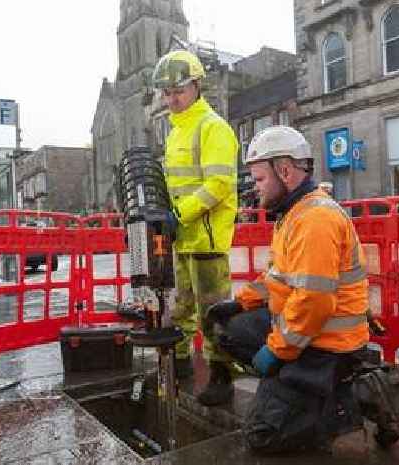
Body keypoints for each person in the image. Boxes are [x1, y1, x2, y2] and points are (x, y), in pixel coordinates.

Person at [205, 126, 399, 452]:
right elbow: (278, 279)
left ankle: (358, 394)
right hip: (306, 331)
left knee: (262, 435)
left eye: (259, 179)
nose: (255, 189)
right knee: (227, 328)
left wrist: (276, 350)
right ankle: (294, 390)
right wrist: (239, 304)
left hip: (327, 344)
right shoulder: (294, 214)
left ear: (284, 171)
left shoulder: (314, 221)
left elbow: (313, 303)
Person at [152, 50, 239, 406]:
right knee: (183, 307)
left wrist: (179, 215)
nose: (172, 99)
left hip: (206, 237)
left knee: (213, 311)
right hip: (184, 237)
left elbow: (219, 184)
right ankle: (184, 362)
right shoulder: (176, 132)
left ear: (197, 86)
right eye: (167, 92)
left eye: (179, 91)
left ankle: (221, 376)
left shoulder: (213, 127)